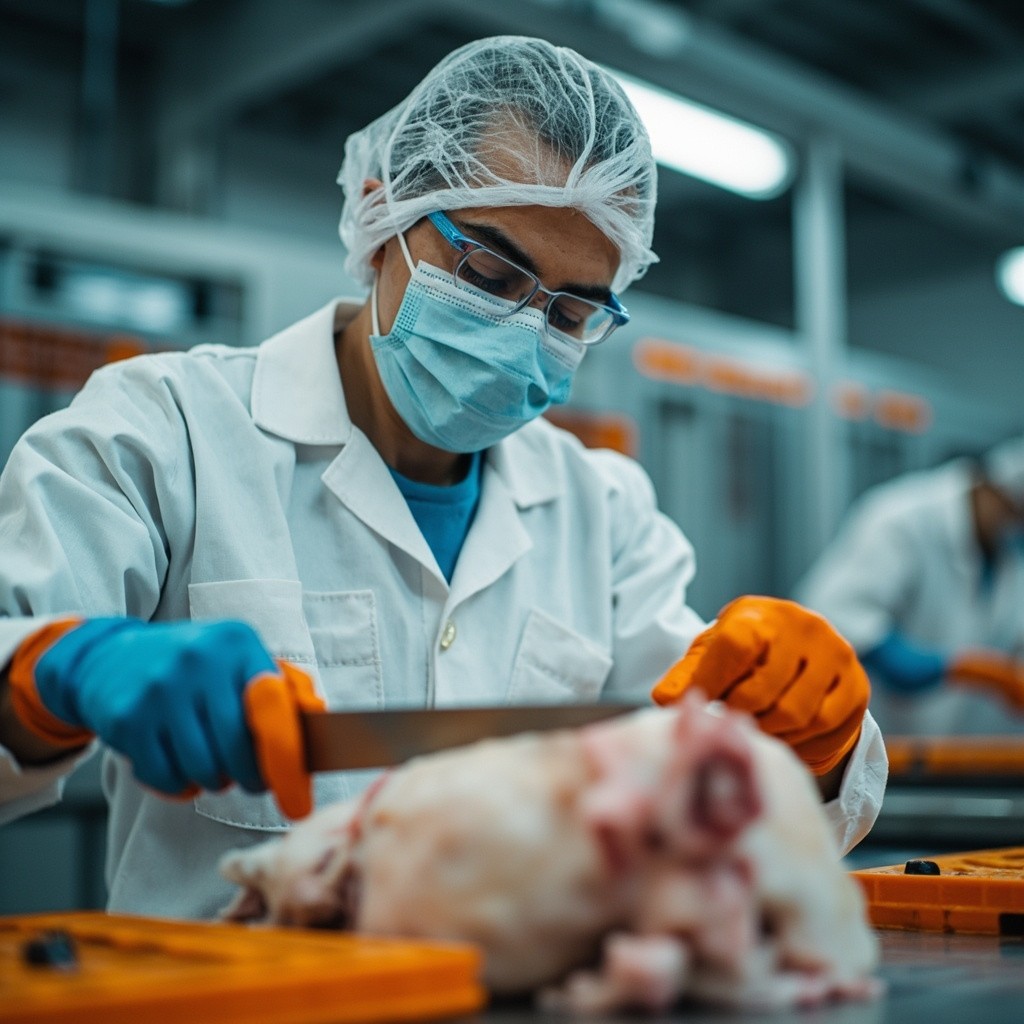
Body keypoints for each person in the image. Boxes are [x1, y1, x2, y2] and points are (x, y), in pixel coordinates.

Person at [0, 36, 885, 920]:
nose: (523, 330)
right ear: (384, 220)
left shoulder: (602, 512)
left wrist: (815, 742)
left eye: (573, 310)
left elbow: (727, 797)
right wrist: (55, 673)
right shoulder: (166, 428)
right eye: (491, 272)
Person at [795, 438, 1024, 736]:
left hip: (959, 751)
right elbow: (841, 618)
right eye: (1011, 511)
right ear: (989, 485)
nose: (1012, 526)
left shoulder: (1006, 552)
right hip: (874, 743)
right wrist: (971, 670)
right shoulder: (901, 520)